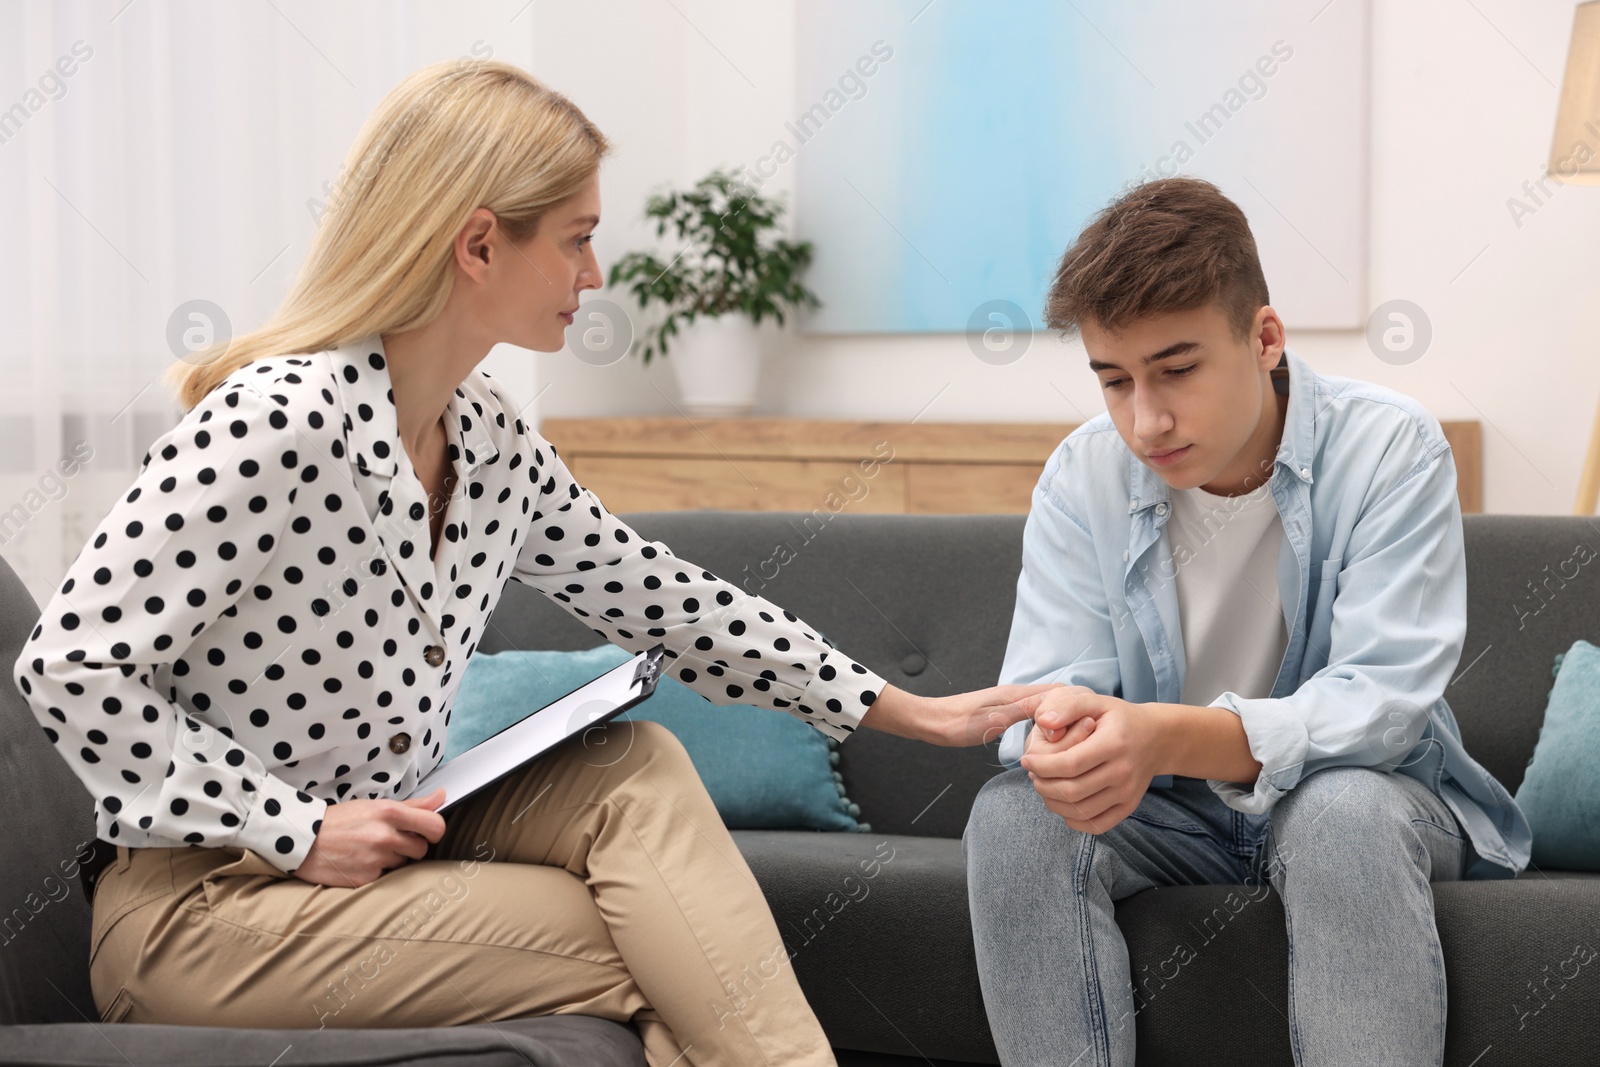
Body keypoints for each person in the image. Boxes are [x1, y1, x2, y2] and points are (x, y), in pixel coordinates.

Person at [11, 59, 1053, 1067]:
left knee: (635, 769)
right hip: (204, 912)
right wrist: (290, 825)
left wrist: (908, 710)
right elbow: (66, 663)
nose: (593, 276)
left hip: (390, 836)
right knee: (663, 939)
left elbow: (667, 600)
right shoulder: (275, 422)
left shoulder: (489, 441)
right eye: (577, 240)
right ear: (477, 244)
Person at [961, 176, 1532, 1066]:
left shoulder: (1391, 448)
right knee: (1014, 816)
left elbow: (1381, 702)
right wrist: (1063, 741)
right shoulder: (1082, 477)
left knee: (1336, 810)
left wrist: (1161, 734)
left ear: (1264, 338)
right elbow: (1053, 687)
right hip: (1167, 817)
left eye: (1177, 369)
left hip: (1364, 799)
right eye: (1114, 381)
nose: (1145, 420)